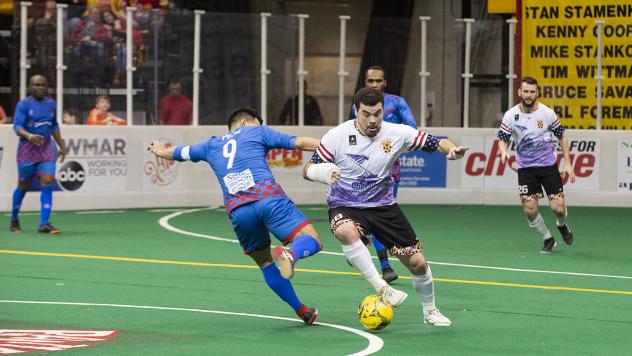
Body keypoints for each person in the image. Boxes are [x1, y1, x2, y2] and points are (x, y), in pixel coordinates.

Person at [303, 87, 468, 326]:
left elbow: (436, 142)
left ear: (383, 110)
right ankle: (382, 288)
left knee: (418, 264)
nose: (373, 120)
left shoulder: (397, 133)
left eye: (378, 113)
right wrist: (324, 171)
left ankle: (430, 311)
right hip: (345, 205)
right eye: (366, 114)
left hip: (383, 207)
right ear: (356, 112)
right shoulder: (336, 136)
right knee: (345, 231)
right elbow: (307, 170)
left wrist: (451, 149)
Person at [147, 107, 323, 324]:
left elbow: (177, 153)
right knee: (312, 239)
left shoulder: (210, 145)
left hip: (239, 212)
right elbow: (299, 143)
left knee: (266, 264)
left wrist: (158, 150)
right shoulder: (256, 132)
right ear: (245, 123)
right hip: (267, 199)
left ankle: (302, 310)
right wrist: (334, 148)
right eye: (259, 122)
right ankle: (291, 255)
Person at [349, 65, 417, 283]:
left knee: (379, 212)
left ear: (384, 83)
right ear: (365, 83)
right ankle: (379, 260)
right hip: (363, 169)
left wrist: (390, 148)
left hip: (390, 170)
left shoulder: (397, 103)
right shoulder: (357, 107)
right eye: (371, 82)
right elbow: (354, 132)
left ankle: (377, 256)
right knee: (364, 211)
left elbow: (412, 129)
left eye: (379, 81)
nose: (375, 85)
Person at [497, 76, 575, 253]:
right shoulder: (510, 116)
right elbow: (502, 139)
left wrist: (568, 164)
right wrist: (503, 151)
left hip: (548, 167)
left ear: (537, 93)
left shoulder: (547, 113)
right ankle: (548, 238)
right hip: (525, 169)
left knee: (559, 209)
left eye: (532, 92)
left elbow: (562, 136)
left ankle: (562, 225)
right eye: (526, 91)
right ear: (520, 92)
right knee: (530, 211)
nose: (529, 95)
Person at [10, 74, 67, 234]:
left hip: (46, 149)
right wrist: (28, 136)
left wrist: (61, 143)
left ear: (47, 86)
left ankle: (44, 224)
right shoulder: (23, 105)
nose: (40, 87)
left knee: (47, 181)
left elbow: (53, 125)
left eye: (43, 84)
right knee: (23, 185)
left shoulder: (51, 104)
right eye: (36, 85)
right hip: (27, 150)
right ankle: (14, 219)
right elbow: (17, 127)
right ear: (30, 87)